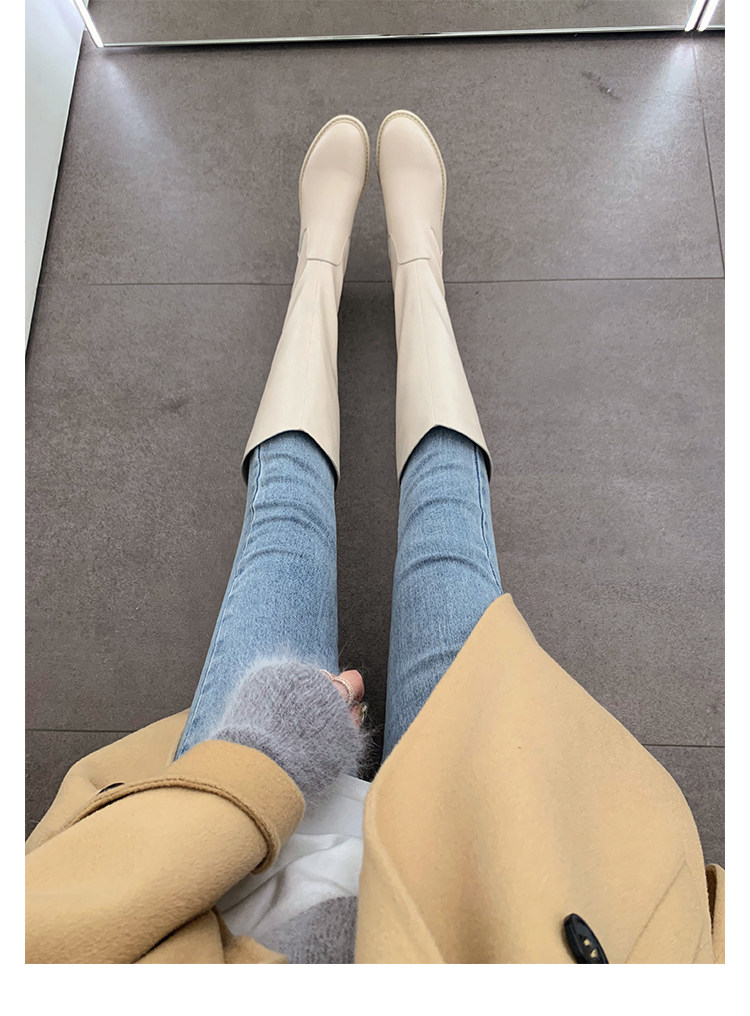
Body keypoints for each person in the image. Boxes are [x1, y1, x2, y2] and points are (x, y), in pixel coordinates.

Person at [25, 111, 724, 964]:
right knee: (450, 532)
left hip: (215, 900)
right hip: (496, 909)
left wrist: (265, 752)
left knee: (280, 527)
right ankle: (416, 271)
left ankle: (319, 273)